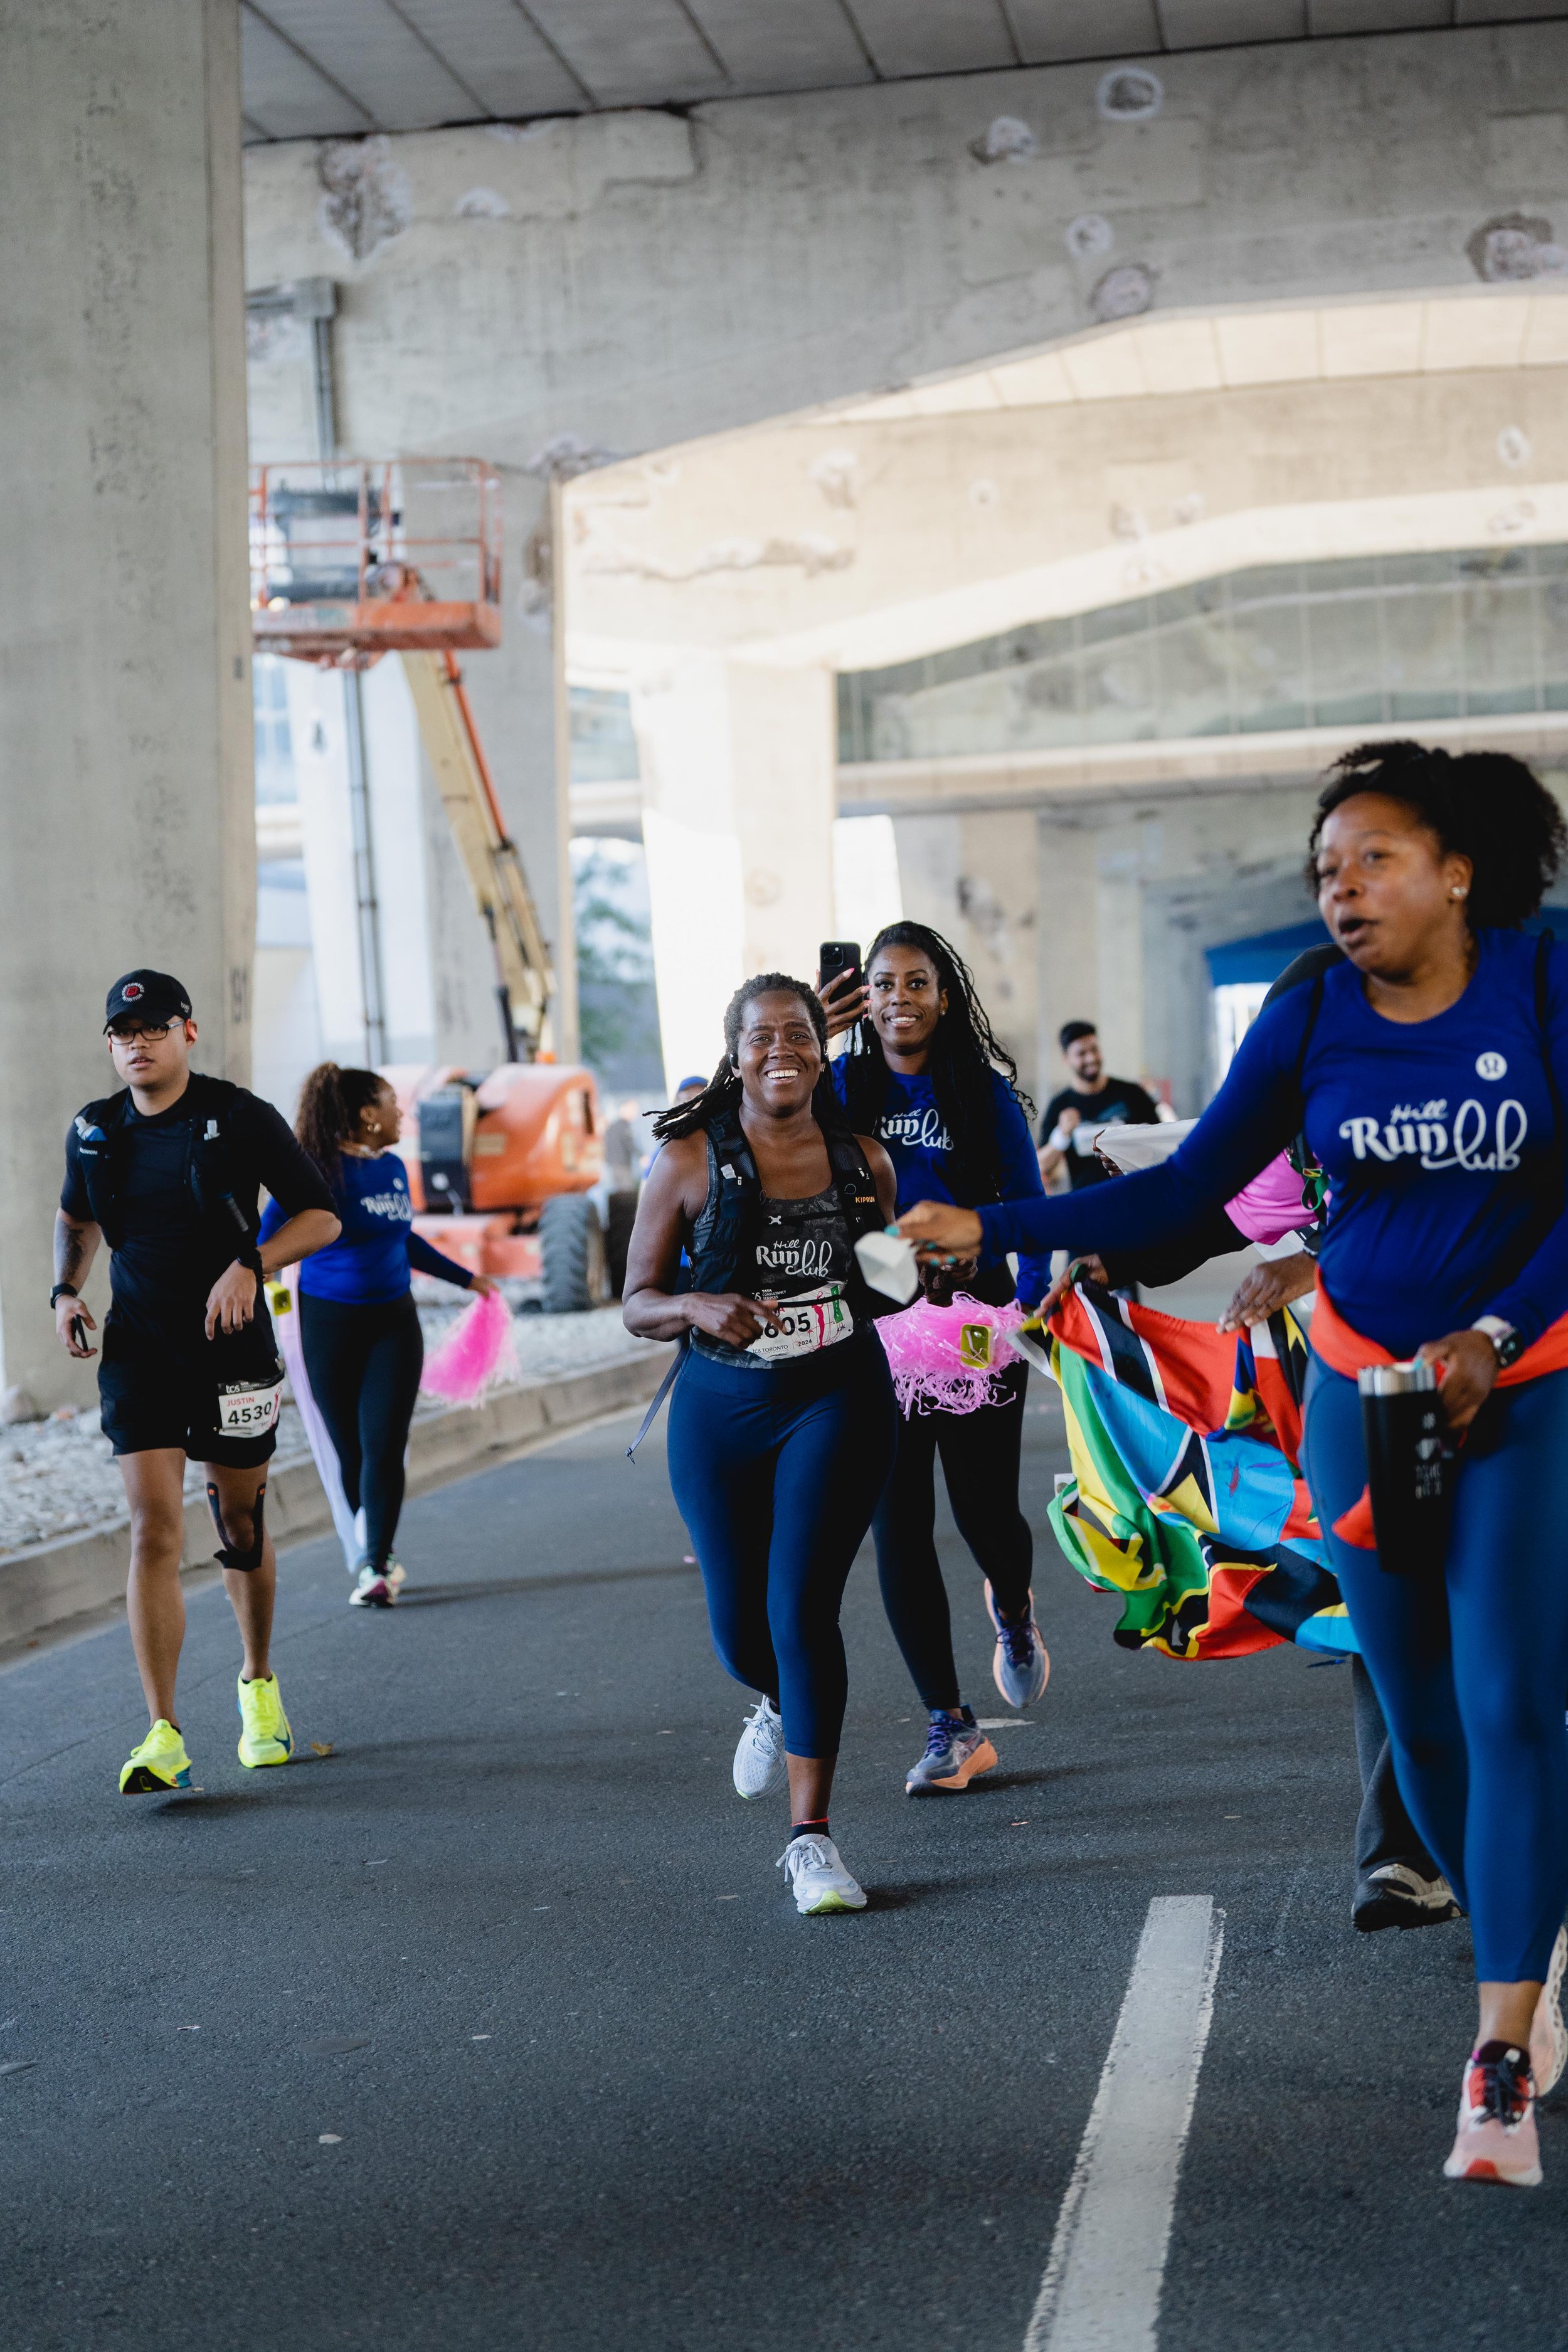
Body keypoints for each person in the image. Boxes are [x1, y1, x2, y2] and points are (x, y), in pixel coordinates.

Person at [900, 741, 1568, 2186]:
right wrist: (998, 1225)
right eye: (1324, 871)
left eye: (1373, 859)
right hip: (1361, 1392)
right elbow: (1191, 1188)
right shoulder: (1316, 1014)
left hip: (1526, 1387)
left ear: (1454, 868)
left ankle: (1501, 2040)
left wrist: (1497, 1325)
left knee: (1514, 1696)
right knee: (1422, 1706)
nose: (1342, 891)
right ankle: (1521, 1922)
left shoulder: (1542, 981)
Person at [1071, 941, 1458, 1936]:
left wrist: (1309, 1267)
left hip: (1495, 1385)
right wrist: (1094, 1263)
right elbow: (1189, 1215)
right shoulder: (1283, 1132)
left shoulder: (1449, 1107)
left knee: (1499, 1624)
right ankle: (1403, 1855)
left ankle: (1489, 1831)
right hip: (1362, 1392)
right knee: (1380, 1598)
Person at [622, 975, 899, 1914]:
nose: (781, 1049)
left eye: (799, 1035)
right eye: (761, 1037)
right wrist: (696, 1302)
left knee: (802, 1609)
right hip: (719, 1409)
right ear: (733, 1052)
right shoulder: (688, 1158)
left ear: (825, 1050)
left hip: (838, 1398)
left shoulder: (865, 1160)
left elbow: (892, 1282)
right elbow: (636, 1301)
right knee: (742, 1630)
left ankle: (811, 1839)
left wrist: (940, 1270)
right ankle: (780, 1702)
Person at [55, 972, 341, 1794]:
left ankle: (257, 1686)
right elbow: (75, 1219)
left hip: (231, 1349)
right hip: (140, 1351)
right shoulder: (94, 1131)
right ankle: (164, 1732)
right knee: (152, 1530)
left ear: (189, 1031)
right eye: (121, 1031)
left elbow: (321, 1214)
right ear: (110, 1045)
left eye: (152, 1026)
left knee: (238, 1522)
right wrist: (67, 1290)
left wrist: (251, 1263)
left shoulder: (238, 1116)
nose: (135, 1041)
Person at [820, 922, 1052, 1796]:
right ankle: (951, 1724)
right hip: (876, 1332)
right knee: (898, 1525)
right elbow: (755, 1114)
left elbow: (1029, 1208)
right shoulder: (836, 1085)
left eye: (916, 982)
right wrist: (811, 1013)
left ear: (944, 995)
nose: (898, 998)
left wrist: (1031, 1307)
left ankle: (1016, 1609)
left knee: (987, 1514)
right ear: (863, 997)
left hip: (977, 1325)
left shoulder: (982, 1093)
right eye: (881, 983)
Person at [258, 1064, 495, 1609]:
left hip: (394, 1323)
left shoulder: (391, 1169)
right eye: (393, 1102)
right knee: (352, 1454)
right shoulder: (312, 1172)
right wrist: (265, 1300)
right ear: (367, 1114)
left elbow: (402, 1240)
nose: (401, 1113)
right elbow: (263, 1245)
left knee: (384, 1445)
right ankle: (369, 1549)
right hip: (328, 1326)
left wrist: (468, 1279)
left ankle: (377, 1561)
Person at [1038, 1022, 1161, 1191]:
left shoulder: (1132, 1093)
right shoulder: (1060, 1105)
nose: (1091, 1058)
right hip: (1087, 1202)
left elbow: (1159, 1144)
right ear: (1066, 1059)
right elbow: (1042, 1166)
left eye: (1094, 1050)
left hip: (1134, 1193)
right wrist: (1062, 1135)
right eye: (1081, 1054)